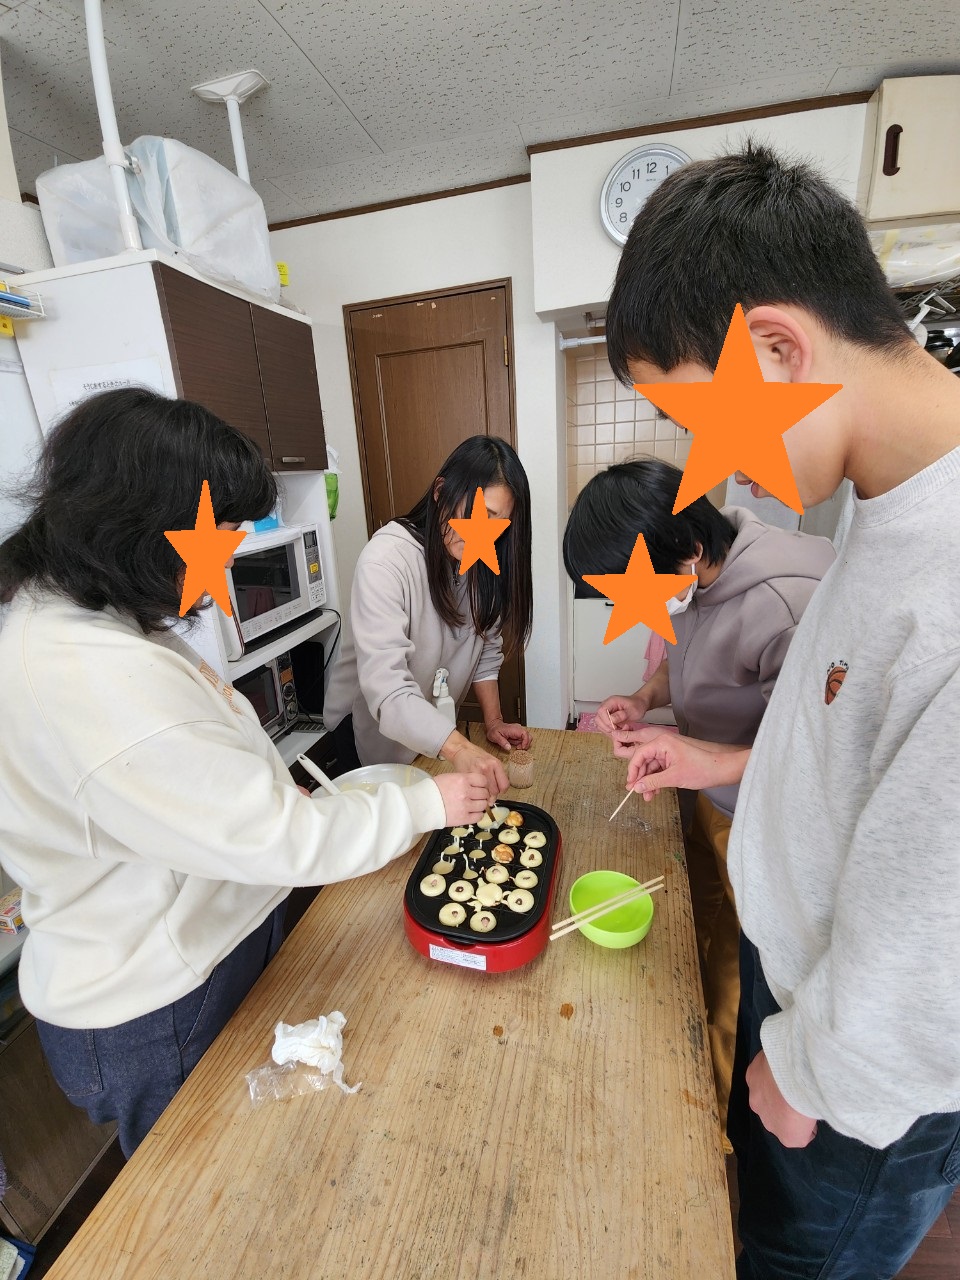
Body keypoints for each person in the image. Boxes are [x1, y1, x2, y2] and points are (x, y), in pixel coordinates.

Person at [604, 140, 960, 1278]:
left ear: (777, 346)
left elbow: (940, 939)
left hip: (855, 1076)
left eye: (700, 417)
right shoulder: (883, 506)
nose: (708, 470)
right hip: (800, 1001)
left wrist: (809, 1074)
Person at [0, 388, 488, 1158]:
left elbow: (189, 784)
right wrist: (427, 802)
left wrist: (261, 784)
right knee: (213, 1178)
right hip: (156, 996)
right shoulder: (84, 673)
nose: (227, 558)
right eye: (220, 536)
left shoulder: (90, 617)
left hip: (201, 943)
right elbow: (274, 836)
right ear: (146, 527)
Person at [563, 456, 833, 1143]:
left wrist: (703, 758)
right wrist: (644, 699)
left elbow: (821, 758)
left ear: (685, 547)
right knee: (693, 925)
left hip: (766, 824)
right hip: (713, 799)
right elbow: (682, 665)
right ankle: (685, 1056)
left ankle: (708, 1123)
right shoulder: (699, 571)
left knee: (737, 971)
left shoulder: (786, 602)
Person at [324, 435, 533, 798]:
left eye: (500, 523)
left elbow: (485, 646)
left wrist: (494, 721)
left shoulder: (480, 558)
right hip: (366, 733)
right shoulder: (386, 561)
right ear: (440, 492)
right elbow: (388, 690)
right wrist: (460, 749)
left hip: (430, 735)